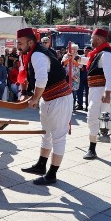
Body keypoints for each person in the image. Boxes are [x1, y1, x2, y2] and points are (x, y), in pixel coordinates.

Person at [15, 28, 73, 185]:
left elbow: (42, 79)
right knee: (46, 133)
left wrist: (34, 98)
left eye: (20, 43)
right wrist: (31, 95)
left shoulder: (37, 54)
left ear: (30, 42)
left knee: (58, 137)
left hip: (60, 99)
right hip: (49, 98)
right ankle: (41, 165)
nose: (17, 46)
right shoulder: (34, 53)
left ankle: (52, 174)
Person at [82, 29, 111, 159]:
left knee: (92, 117)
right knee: (107, 118)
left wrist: (107, 93)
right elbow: (91, 62)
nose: (90, 40)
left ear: (99, 39)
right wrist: (77, 58)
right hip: (96, 90)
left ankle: (92, 148)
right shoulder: (99, 53)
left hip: (101, 91)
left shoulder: (106, 54)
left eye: (92, 38)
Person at [62, 44, 81, 109]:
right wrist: (68, 58)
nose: (73, 51)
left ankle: (72, 106)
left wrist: (72, 59)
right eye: (72, 49)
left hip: (75, 78)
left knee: (74, 93)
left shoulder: (78, 57)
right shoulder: (65, 55)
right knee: (66, 92)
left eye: (75, 49)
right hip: (67, 76)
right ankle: (66, 106)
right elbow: (63, 63)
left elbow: (79, 65)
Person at [75, 46, 91, 111]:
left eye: (88, 50)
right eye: (86, 50)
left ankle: (88, 105)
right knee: (79, 91)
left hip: (88, 76)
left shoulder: (92, 57)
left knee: (88, 92)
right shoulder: (80, 57)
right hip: (81, 76)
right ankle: (80, 104)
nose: (87, 51)